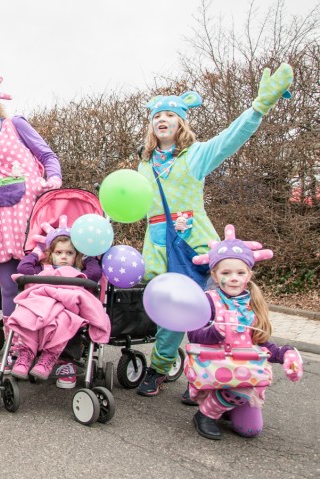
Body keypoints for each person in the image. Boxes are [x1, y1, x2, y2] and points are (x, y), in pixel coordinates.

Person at [136, 63, 294, 398]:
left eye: (170, 115)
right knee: (166, 310)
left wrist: (258, 107)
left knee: (204, 310)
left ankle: (192, 373)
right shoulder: (144, 164)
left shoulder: (195, 156)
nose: (162, 120)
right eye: (156, 116)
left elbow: (229, 139)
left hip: (193, 245)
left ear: (181, 122)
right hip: (157, 245)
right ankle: (168, 365)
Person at [0, 75, 62, 370]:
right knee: (8, 287)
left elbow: (45, 154)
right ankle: (15, 348)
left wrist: (54, 176)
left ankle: (50, 347)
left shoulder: (16, 124)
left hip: (30, 208)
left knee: (39, 281)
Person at [186, 225, 303, 440]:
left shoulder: (252, 303)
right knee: (241, 389)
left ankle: (226, 403)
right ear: (214, 274)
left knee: (250, 430)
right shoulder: (209, 300)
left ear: (249, 275)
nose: (233, 278)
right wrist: (214, 333)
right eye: (226, 272)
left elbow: (263, 343)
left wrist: (286, 353)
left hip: (242, 371)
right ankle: (205, 414)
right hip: (214, 368)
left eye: (240, 273)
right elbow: (193, 335)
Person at [13, 216, 103, 385]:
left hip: (66, 307)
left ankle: (51, 357)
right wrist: (36, 253)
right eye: (58, 252)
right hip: (42, 304)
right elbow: (23, 269)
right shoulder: (45, 268)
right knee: (28, 314)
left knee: (64, 320)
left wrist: (87, 258)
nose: (63, 257)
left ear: (77, 255)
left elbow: (95, 274)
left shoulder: (78, 271)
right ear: (51, 254)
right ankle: (26, 354)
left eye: (69, 253)